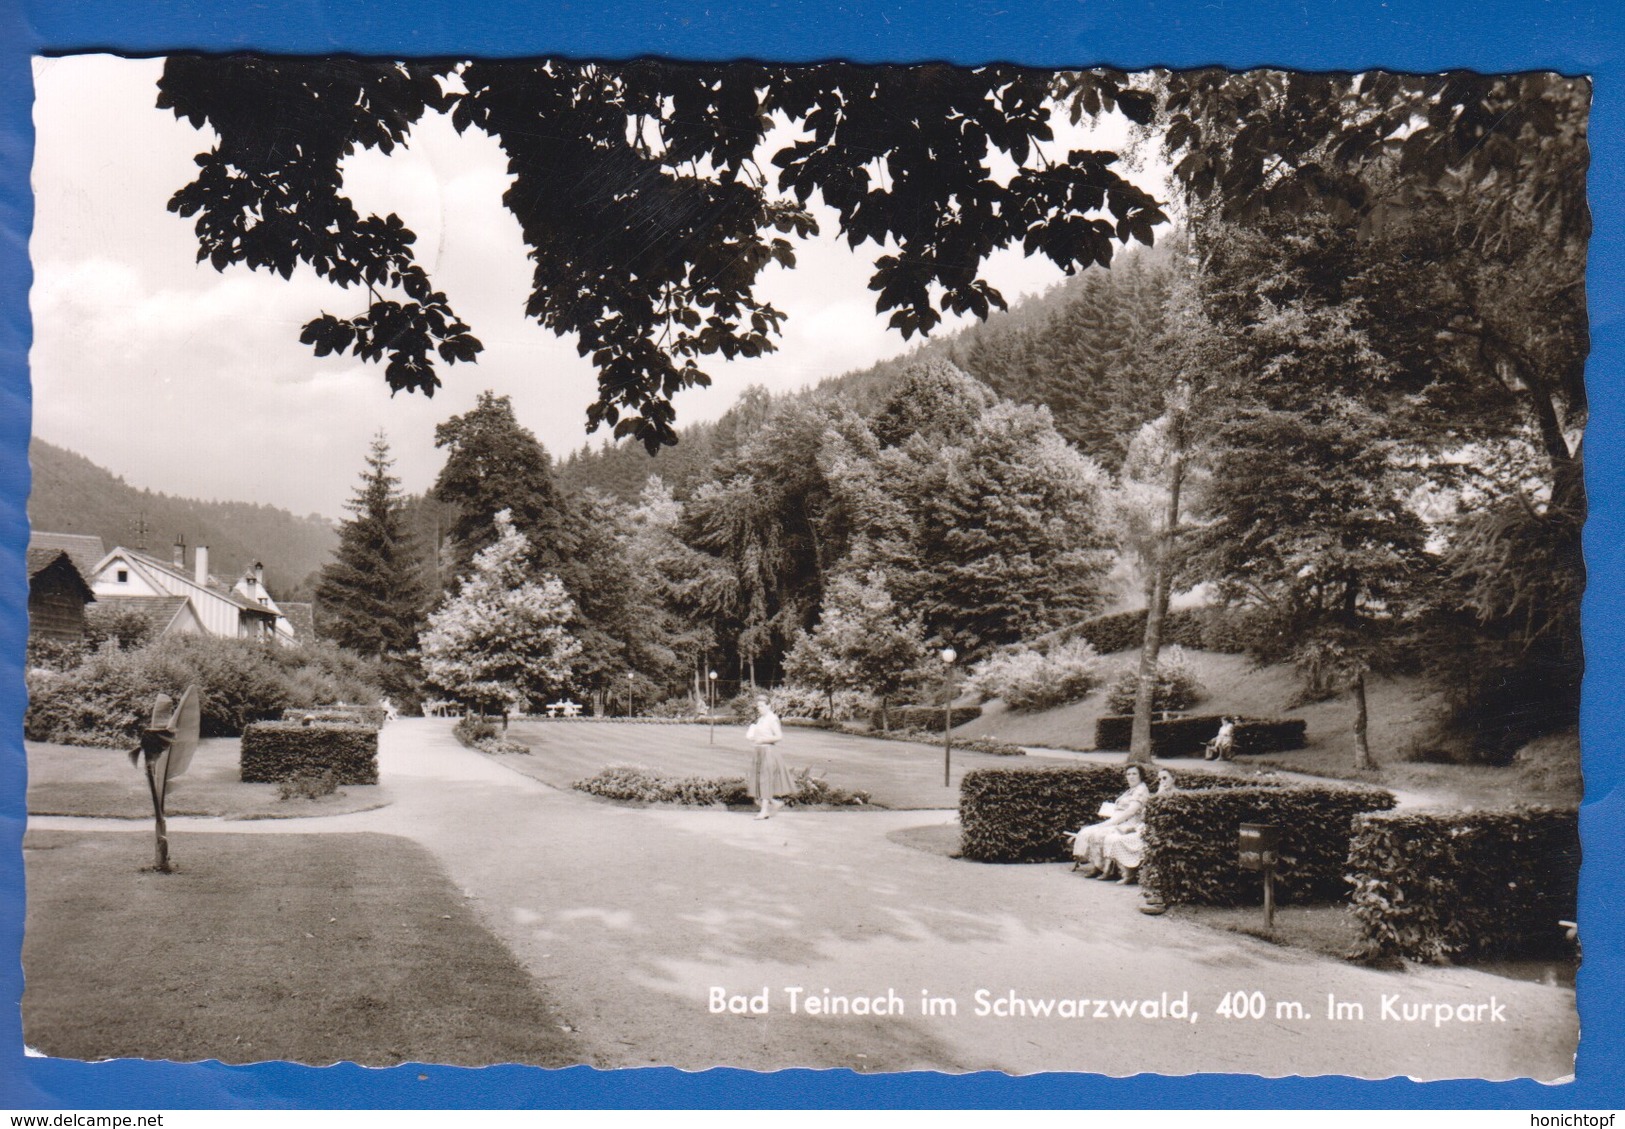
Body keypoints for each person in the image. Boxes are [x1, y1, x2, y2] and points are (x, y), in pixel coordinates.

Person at [1069, 764, 1151, 878]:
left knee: (1101, 834)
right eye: (1128, 774)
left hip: (1129, 824)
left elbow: (1130, 812)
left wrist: (1110, 823)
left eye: (1134, 774)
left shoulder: (1141, 790)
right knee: (1091, 832)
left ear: (1141, 776)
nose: (1131, 777)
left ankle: (1107, 870)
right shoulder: (1131, 790)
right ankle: (1097, 866)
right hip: (1118, 821)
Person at [1104, 767, 1177, 885]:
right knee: (1118, 838)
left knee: (1125, 840)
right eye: (1159, 779)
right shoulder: (1159, 795)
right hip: (1146, 829)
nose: (1162, 782)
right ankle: (1128, 873)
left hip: (1161, 832)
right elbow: (1145, 815)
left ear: (1173, 779)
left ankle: (1129, 874)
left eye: (1165, 778)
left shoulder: (1176, 795)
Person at [744, 696, 795, 819]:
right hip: (760, 751)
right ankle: (774, 802)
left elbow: (779, 736)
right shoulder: (761, 719)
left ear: (768, 706)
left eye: (762, 706)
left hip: (768, 752)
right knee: (760, 780)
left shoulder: (772, 719)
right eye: (758, 706)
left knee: (765, 780)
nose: (759, 708)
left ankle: (764, 811)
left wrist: (763, 739)